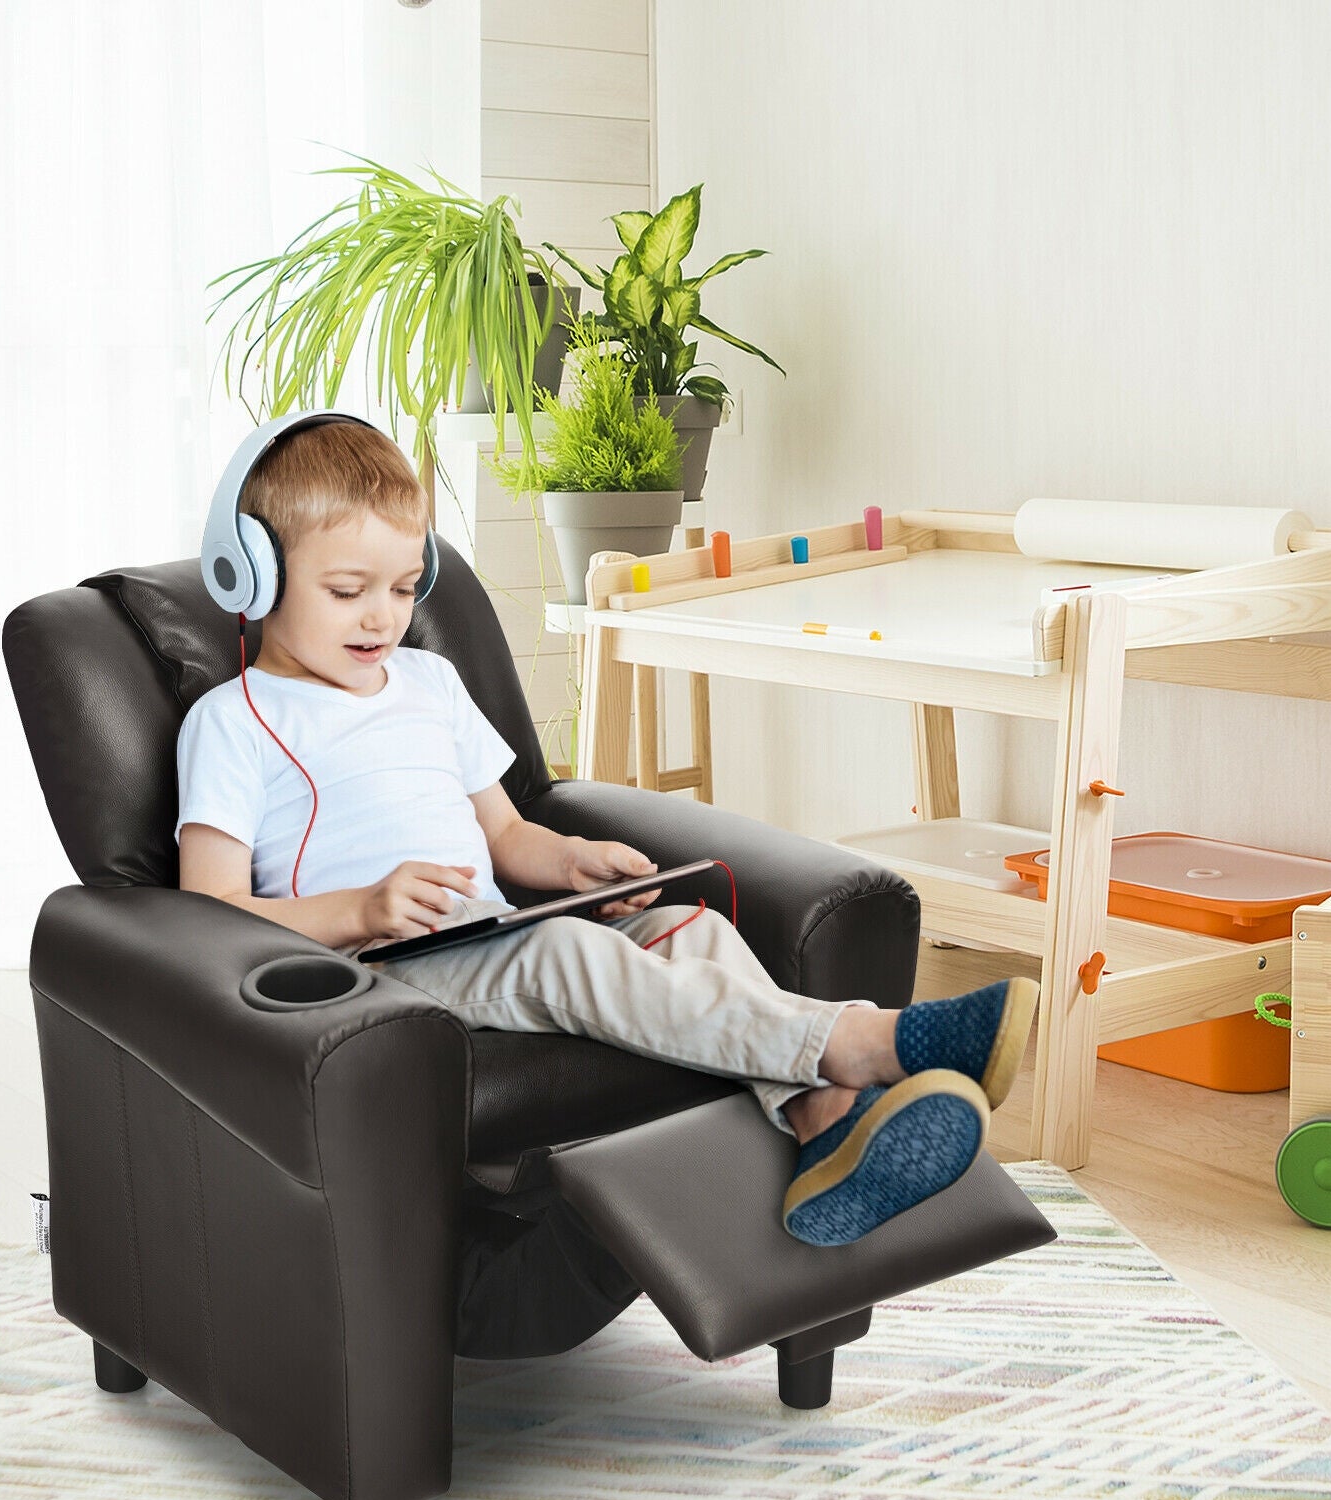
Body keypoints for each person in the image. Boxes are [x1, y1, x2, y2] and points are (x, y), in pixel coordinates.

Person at [176, 420, 1040, 1247]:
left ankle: (823, 1125)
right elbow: (207, 913)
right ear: (252, 575)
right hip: (376, 980)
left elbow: (509, 835)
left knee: (693, 930)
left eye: (404, 590)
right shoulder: (234, 723)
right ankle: (870, 1041)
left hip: (483, 937)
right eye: (346, 592)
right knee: (563, 954)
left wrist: (575, 863)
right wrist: (361, 910)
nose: (382, 619)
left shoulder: (428, 683)